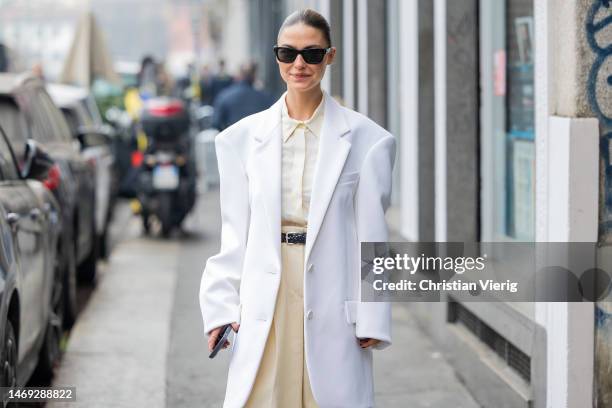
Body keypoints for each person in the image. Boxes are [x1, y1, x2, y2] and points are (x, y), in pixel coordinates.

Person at [199, 8, 395, 408]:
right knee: (263, 395)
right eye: (288, 53)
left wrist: (373, 313)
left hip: (332, 287)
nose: (299, 64)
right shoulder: (239, 141)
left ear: (331, 56)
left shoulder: (368, 140)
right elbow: (235, 234)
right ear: (276, 58)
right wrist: (219, 306)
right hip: (266, 290)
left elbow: (373, 239)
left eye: (312, 53)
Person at [212, 62, 274, 130]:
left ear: (239, 74)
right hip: (259, 138)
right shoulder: (265, 98)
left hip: (233, 138)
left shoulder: (224, 96)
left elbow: (216, 123)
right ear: (254, 75)